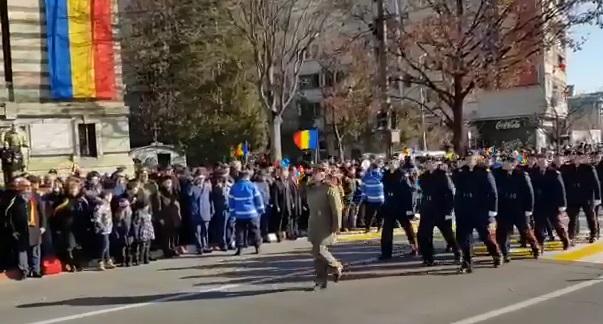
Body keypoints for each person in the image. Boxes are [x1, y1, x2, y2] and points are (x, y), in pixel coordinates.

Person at [453, 154, 501, 273]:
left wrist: (492, 211)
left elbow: (493, 192)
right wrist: (457, 169)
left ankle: (496, 254)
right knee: (464, 238)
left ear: (477, 160)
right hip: (464, 209)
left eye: (472, 159)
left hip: (480, 209)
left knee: (486, 236)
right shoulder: (460, 172)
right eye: (467, 159)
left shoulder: (484, 172)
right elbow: (455, 183)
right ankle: (467, 262)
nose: (469, 161)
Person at [493, 157, 539, 262]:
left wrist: (529, 208)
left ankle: (535, 247)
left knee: (525, 230)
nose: (504, 164)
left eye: (507, 163)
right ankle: (505, 253)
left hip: (519, 208)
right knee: (503, 233)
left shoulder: (522, 175)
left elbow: (529, 193)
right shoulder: (497, 174)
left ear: (513, 165)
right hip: (504, 208)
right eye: (504, 162)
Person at [417, 158, 460, 266]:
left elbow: (450, 193)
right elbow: (420, 192)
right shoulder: (423, 177)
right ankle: (428, 258)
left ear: (436, 164)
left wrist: (449, 211)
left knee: (448, 234)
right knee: (424, 235)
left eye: (432, 163)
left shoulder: (442, 176)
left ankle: (458, 253)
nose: (429, 165)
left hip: (440, 208)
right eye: (427, 163)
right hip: (427, 210)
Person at [306, 167, 343, 290]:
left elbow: (337, 209)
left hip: (325, 223)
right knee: (317, 255)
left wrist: (337, 226)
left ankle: (336, 265)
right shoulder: (310, 188)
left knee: (319, 250)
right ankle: (320, 281)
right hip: (314, 223)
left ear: (324, 174)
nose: (317, 174)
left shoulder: (330, 189)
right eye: (315, 172)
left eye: (320, 172)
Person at [530, 155, 570, 252]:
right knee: (539, 225)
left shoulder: (554, 173)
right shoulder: (533, 173)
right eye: (540, 162)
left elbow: (561, 189)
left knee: (557, 224)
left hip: (552, 203)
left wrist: (562, 204)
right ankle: (540, 244)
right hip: (539, 204)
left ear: (548, 162)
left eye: (544, 162)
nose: (542, 164)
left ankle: (565, 241)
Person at [380, 159, 418, 260]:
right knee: (386, 231)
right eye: (389, 163)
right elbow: (385, 190)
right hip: (389, 205)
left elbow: (409, 192)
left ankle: (414, 247)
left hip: (401, 205)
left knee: (407, 227)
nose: (391, 165)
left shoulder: (402, 175)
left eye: (393, 163)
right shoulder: (386, 175)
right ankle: (386, 253)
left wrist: (410, 209)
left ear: (397, 164)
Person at [560, 153, 601, 244]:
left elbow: (596, 183)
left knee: (590, 216)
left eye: (579, 157)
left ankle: (593, 234)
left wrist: (598, 197)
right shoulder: (568, 168)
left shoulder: (589, 168)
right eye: (575, 157)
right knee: (573, 218)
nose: (577, 159)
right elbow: (564, 183)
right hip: (573, 197)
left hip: (587, 197)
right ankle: (571, 236)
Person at [229, 169, 264, 256]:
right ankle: (257, 247)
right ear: (247, 176)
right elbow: (258, 198)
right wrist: (260, 209)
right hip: (252, 213)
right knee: (255, 230)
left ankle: (239, 249)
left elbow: (231, 201)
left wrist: (232, 213)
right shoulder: (252, 186)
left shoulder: (234, 187)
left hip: (239, 214)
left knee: (239, 232)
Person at [186, 173, 214, 255]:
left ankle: (205, 246)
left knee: (205, 231)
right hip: (196, 212)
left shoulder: (207, 187)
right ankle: (199, 247)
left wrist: (212, 210)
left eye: (202, 179)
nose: (201, 181)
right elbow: (189, 194)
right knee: (197, 231)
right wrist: (191, 184)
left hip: (206, 211)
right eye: (199, 179)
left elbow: (210, 199)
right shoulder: (193, 188)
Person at [155, 176, 182, 258]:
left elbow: (178, 204)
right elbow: (158, 207)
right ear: (163, 184)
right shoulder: (159, 194)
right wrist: (160, 218)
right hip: (165, 217)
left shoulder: (174, 192)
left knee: (174, 235)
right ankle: (167, 251)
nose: (168, 184)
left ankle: (173, 249)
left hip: (174, 217)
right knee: (166, 236)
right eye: (166, 182)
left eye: (170, 182)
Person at [271, 167, 298, 241]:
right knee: (280, 220)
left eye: (286, 174)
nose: (285, 175)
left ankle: (288, 233)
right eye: (284, 174)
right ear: (281, 174)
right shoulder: (277, 183)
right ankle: (279, 235)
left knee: (287, 219)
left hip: (288, 204)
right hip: (281, 204)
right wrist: (276, 205)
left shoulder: (288, 182)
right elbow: (275, 196)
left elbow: (289, 194)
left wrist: (292, 202)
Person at [211, 170, 234, 250]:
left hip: (230, 208)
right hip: (222, 209)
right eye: (224, 177)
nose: (226, 179)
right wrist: (224, 186)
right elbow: (223, 195)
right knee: (222, 227)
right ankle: (223, 243)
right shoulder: (218, 187)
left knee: (230, 226)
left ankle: (230, 242)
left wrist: (229, 185)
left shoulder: (230, 185)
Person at [93, 190, 115, 271]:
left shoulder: (107, 204)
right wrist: (101, 226)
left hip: (108, 227)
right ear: (106, 196)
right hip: (102, 229)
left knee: (107, 245)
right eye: (110, 195)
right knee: (104, 245)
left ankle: (108, 260)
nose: (111, 197)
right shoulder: (101, 205)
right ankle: (100, 261)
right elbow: (97, 217)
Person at [361, 164, 385, 233]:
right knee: (380, 215)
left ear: (371, 168)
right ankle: (379, 228)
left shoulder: (367, 176)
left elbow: (363, 187)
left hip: (370, 199)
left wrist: (364, 197)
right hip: (381, 199)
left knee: (369, 215)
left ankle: (367, 229)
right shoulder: (381, 175)